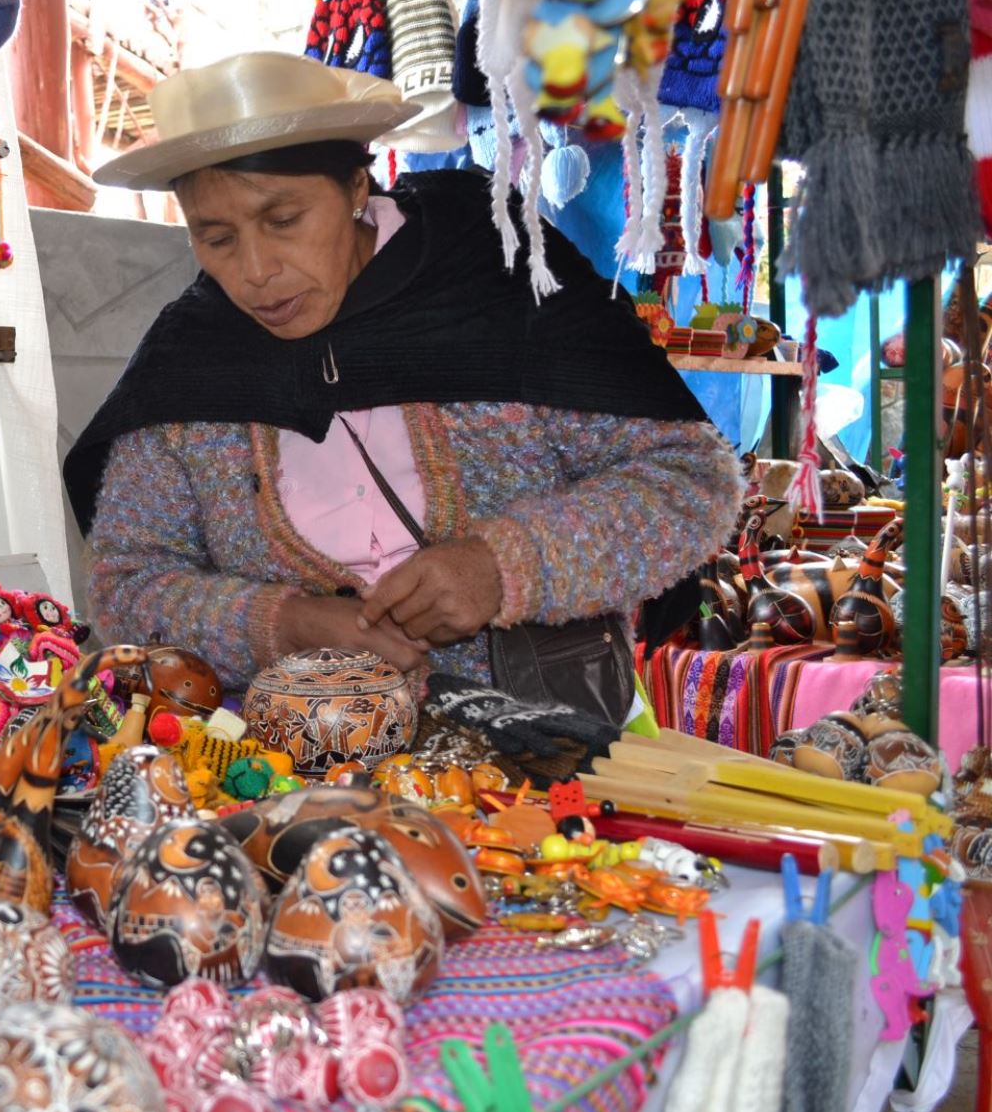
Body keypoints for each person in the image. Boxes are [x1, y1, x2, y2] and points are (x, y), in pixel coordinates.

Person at [64, 52, 743, 692]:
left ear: (356, 185)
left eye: (284, 219)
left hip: (543, 762)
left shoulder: (497, 280)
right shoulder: (193, 357)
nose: (256, 270)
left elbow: (692, 479)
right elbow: (128, 588)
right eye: (216, 238)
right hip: (281, 775)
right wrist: (281, 625)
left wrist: (502, 567)